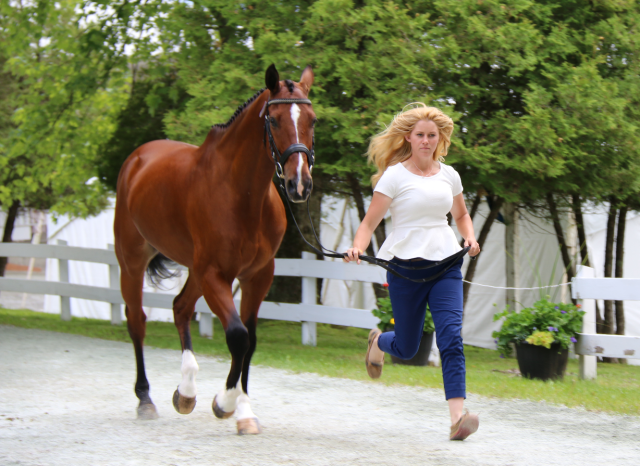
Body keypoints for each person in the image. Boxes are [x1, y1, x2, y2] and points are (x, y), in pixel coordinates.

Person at [344, 103, 480, 441]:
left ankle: (457, 418)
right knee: (406, 347)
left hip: (446, 264)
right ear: (409, 137)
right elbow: (369, 222)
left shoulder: (450, 175)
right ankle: (378, 342)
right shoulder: (394, 176)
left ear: (439, 138)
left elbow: (461, 215)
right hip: (405, 268)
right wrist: (358, 246)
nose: (425, 140)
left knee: (450, 336)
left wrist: (470, 236)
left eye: (431, 135)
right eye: (420, 135)